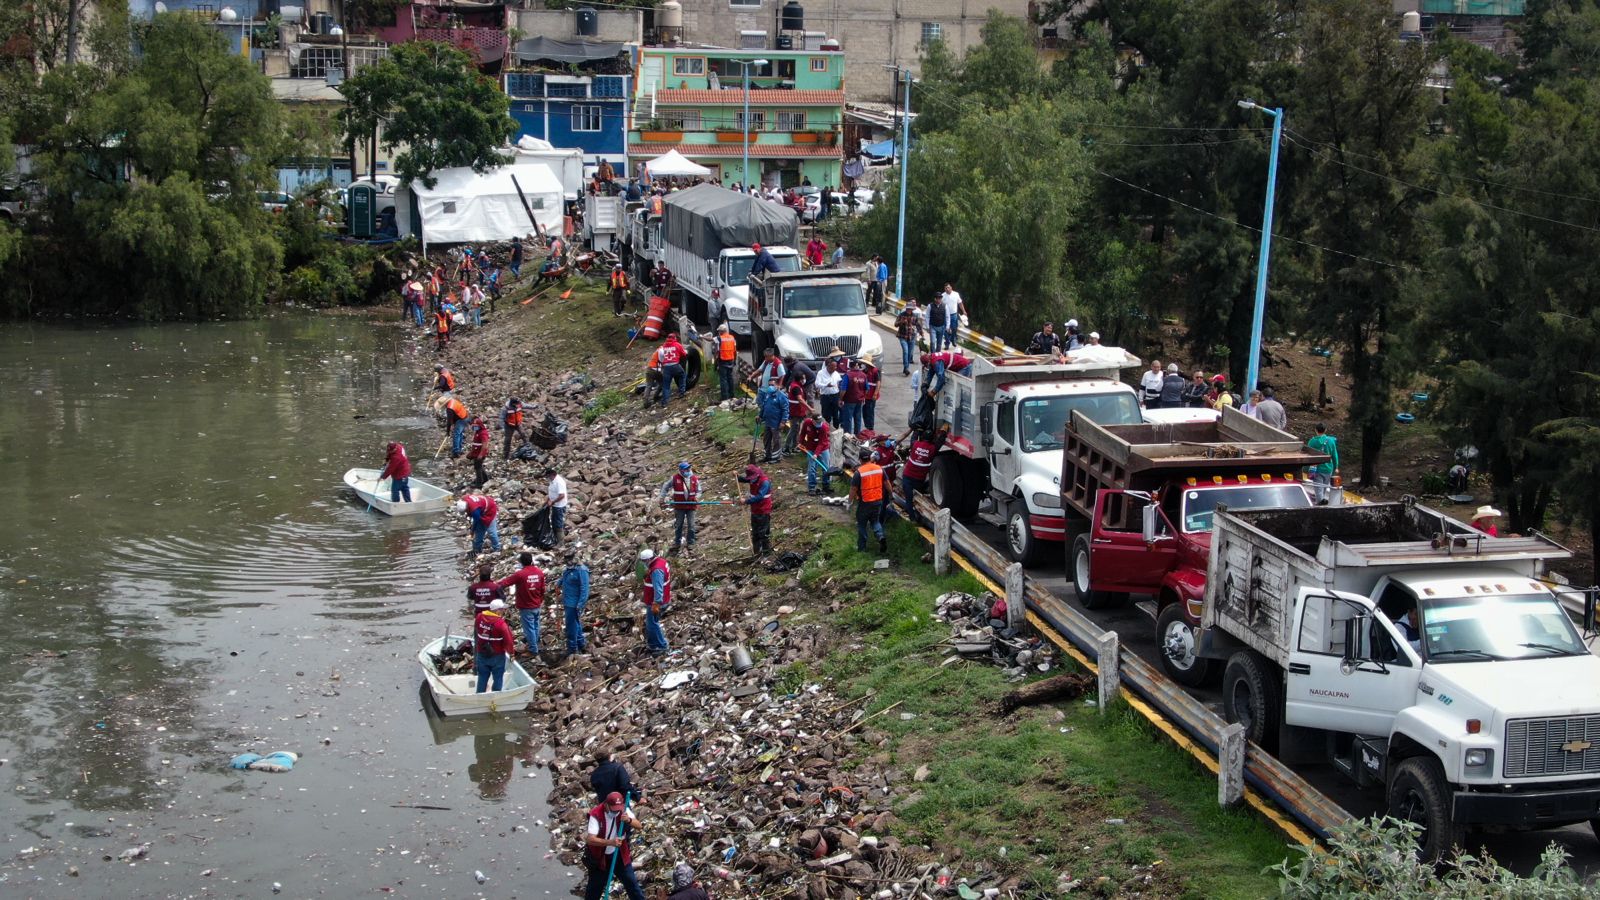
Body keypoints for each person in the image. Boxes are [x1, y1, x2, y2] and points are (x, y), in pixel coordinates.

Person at [584, 791, 647, 900]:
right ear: (606, 805)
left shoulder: (623, 810)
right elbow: (590, 839)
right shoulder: (596, 814)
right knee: (594, 889)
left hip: (619, 854)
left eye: (618, 809)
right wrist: (610, 842)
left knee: (631, 883)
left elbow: (639, 825)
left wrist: (628, 820)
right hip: (600, 858)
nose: (616, 812)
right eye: (613, 809)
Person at [495, 552, 547, 656]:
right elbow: (542, 589)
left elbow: (506, 582)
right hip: (536, 604)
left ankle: (533, 649)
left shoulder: (520, 574)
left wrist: (494, 586)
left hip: (526, 606)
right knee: (536, 625)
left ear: (521, 562)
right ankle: (535, 643)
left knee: (529, 628)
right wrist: (540, 600)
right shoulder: (539, 572)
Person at [474, 598, 515, 693]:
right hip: (497, 655)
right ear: (497, 611)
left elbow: (476, 629)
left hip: (481, 653)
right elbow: (509, 641)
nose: (504, 611)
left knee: (482, 677)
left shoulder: (479, 617)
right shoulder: (501, 624)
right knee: (498, 677)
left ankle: (479, 696)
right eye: (502, 609)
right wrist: (512, 654)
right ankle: (495, 695)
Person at [660, 461, 702, 551]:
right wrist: (662, 497)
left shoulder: (694, 478)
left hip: (691, 506)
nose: (688, 470)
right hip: (680, 507)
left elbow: (699, 490)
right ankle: (677, 542)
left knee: (691, 525)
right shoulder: (675, 478)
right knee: (679, 525)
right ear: (681, 470)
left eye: (688, 468)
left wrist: (697, 498)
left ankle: (691, 542)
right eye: (685, 469)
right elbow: (665, 487)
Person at [851, 456, 888, 553]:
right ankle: (880, 536)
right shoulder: (879, 469)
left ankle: (862, 548)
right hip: (878, 500)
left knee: (862, 524)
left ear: (860, 460)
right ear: (870, 459)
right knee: (875, 521)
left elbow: (853, 489)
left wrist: (849, 500)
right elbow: (887, 483)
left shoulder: (859, 472)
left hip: (865, 502)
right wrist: (891, 494)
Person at [738, 464, 774, 556]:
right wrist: (737, 477)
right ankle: (757, 552)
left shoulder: (765, 482)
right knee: (755, 532)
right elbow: (745, 479)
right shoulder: (752, 479)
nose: (751, 480)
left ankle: (766, 553)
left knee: (763, 532)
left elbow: (760, 496)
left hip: (763, 510)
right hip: (755, 510)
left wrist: (746, 501)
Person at [639, 548, 670, 655]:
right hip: (659, 599)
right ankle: (653, 644)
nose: (644, 564)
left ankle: (661, 646)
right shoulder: (661, 562)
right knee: (651, 623)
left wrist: (656, 603)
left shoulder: (656, 570)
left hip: (655, 602)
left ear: (648, 560)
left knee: (652, 624)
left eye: (644, 562)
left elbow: (658, 588)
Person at [900, 430, 937, 518]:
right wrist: (943, 433)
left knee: (909, 499)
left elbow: (913, 438)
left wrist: (917, 430)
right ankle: (919, 514)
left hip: (908, 477)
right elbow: (940, 442)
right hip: (919, 479)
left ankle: (912, 518)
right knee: (919, 497)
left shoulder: (915, 444)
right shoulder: (932, 449)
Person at [560, 549, 590, 654]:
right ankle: (581, 644)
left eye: (570, 559)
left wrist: (581, 604)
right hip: (568, 602)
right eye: (566, 559)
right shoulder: (568, 570)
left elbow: (584, 589)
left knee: (571, 626)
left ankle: (572, 648)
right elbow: (564, 578)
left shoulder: (581, 571)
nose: (568, 562)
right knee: (575, 624)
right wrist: (558, 584)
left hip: (574, 603)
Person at [1305, 423, 1340, 505]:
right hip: (1328, 468)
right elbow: (1334, 455)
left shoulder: (1312, 441)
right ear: (1325, 430)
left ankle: (1320, 504)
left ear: (1316, 430)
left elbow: (1307, 455)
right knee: (1324, 487)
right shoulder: (1330, 441)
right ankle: (1323, 502)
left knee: (1318, 488)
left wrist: (1306, 469)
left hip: (1316, 468)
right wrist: (1336, 467)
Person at [798, 410, 832, 495]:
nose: (818, 423)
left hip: (823, 447)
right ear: (812, 420)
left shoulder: (824, 427)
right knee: (812, 468)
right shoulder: (807, 423)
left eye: (819, 422)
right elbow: (802, 434)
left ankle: (826, 486)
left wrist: (816, 454)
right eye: (816, 422)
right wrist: (800, 443)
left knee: (825, 467)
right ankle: (812, 487)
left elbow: (822, 442)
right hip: (811, 447)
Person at [757, 384, 789, 463]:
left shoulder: (782, 396)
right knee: (766, 439)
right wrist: (760, 416)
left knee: (776, 440)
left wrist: (783, 421)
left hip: (776, 422)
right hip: (768, 421)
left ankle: (776, 458)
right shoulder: (768, 395)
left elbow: (785, 410)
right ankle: (767, 455)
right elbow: (764, 406)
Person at [657, 332, 687, 406]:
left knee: (666, 385)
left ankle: (664, 402)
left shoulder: (663, 346)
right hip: (675, 365)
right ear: (674, 338)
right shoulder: (677, 345)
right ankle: (681, 393)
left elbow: (661, 357)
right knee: (682, 375)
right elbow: (684, 354)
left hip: (666, 367)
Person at [840, 358, 868, 435]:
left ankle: (847, 436)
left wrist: (840, 399)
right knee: (858, 418)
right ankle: (857, 435)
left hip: (849, 400)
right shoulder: (863, 375)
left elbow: (843, 389)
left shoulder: (847, 375)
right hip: (859, 400)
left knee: (848, 419)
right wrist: (863, 397)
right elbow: (866, 389)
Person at [783, 376, 811, 455]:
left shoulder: (794, 385)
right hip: (796, 412)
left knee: (797, 429)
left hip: (796, 411)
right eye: (803, 378)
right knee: (793, 429)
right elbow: (800, 399)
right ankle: (786, 447)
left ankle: (794, 446)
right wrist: (809, 408)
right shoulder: (796, 387)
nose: (804, 380)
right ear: (800, 379)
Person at [544, 467, 569, 545]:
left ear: (552, 475)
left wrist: (553, 502)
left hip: (559, 506)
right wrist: (547, 500)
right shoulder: (553, 481)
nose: (548, 478)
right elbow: (552, 492)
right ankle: (556, 538)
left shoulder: (559, 482)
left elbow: (562, 495)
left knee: (558, 523)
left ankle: (561, 542)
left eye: (548, 476)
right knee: (554, 522)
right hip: (555, 505)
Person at [895, 302, 922, 375]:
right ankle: (906, 368)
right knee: (905, 351)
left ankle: (905, 368)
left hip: (912, 337)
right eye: (908, 309)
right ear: (906, 309)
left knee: (910, 354)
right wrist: (902, 322)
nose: (909, 310)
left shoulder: (914, 316)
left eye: (911, 309)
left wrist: (921, 333)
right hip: (903, 336)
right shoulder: (901, 315)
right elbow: (895, 324)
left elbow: (918, 325)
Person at [466, 415, 492, 488]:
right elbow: (476, 444)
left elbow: (485, 445)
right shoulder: (478, 432)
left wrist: (480, 455)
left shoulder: (483, 433)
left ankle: (479, 483)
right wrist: (471, 453)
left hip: (480, 454)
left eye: (475, 426)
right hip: (476, 453)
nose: (473, 427)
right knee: (479, 467)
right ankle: (485, 479)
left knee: (477, 468)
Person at [815, 356, 843, 426]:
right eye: (834, 367)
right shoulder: (820, 373)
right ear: (828, 366)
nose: (835, 368)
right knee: (826, 415)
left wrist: (840, 398)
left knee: (835, 414)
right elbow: (817, 384)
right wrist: (826, 385)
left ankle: (836, 429)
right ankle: (826, 430)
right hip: (825, 397)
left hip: (835, 396)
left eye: (836, 366)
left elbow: (839, 384)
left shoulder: (836, 373)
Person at [714, 324, 738, 401]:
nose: (718, 332)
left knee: (723, 379)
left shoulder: (720, 338)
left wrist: (702, 337)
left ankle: (725, 397)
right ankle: (732, 395)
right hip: (731, 360)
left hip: (723, 360)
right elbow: (735, 351)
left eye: (719, 331)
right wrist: (734, 361)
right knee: (730, 378)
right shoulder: (732, 338)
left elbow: (710, 339)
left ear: (721, 331)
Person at [939, 284, 965, 349]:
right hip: (945, 315)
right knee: (946, 329)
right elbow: (940, 305)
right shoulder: (942, 295)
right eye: (945, 288)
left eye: (948, 287)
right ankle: (947, 343)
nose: (947, 289)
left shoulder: (956, 294)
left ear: (951, 288)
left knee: (954, 328)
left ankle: (953, 340)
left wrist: (964, 311)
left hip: (954, 314)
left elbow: (960, 303)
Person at [861, 353, 882, 432]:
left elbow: (878, 383)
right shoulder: (863, 371)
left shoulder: (875, 371)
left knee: (870, 411)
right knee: (864, 411)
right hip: (865, 396)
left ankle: (870, 428)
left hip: (872, 395)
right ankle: (867, 426)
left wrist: (875, 393)